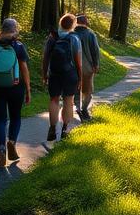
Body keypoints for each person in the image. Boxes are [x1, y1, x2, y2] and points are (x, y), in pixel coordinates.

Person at [0, 17, 31, 168]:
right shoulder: (18, 46)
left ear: (2, 30)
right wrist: (28, 89)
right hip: (16, 88)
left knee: (0, 120)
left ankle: (1, 151)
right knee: (15, 117)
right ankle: (11, 142)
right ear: (15, 30)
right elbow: (24, 68)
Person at [42, 13, 82, 141]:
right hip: (70, 74)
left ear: (60, 23)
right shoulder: (74, 38)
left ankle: (52, 128)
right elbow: (78, 61)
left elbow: (46, 57)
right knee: (68, 101)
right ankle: (65, 129)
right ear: (73, 25)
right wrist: (80, 78)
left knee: (54, 100)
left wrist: (44, 74)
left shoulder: (52, 38)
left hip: (54, 73)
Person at [73, 14, 100, 121]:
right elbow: (95, 51)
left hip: (73, 67)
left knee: (76, 89)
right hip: (87, 67)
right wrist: (96, 64)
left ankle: (77, 108)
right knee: (88, 90)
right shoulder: (90, 34)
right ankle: (84, 109)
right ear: (86, 23)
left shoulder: (71, 34)